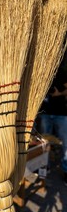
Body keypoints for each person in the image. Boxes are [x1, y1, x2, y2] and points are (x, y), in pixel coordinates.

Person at [39, 49, 67, 186]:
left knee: (65, 143)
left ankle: (66, 169)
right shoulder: (42, 73)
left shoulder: (62, 73)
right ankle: (45, 168)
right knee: (44, 142)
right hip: (45, 113)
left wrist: (59, 94)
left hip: (61, 114)